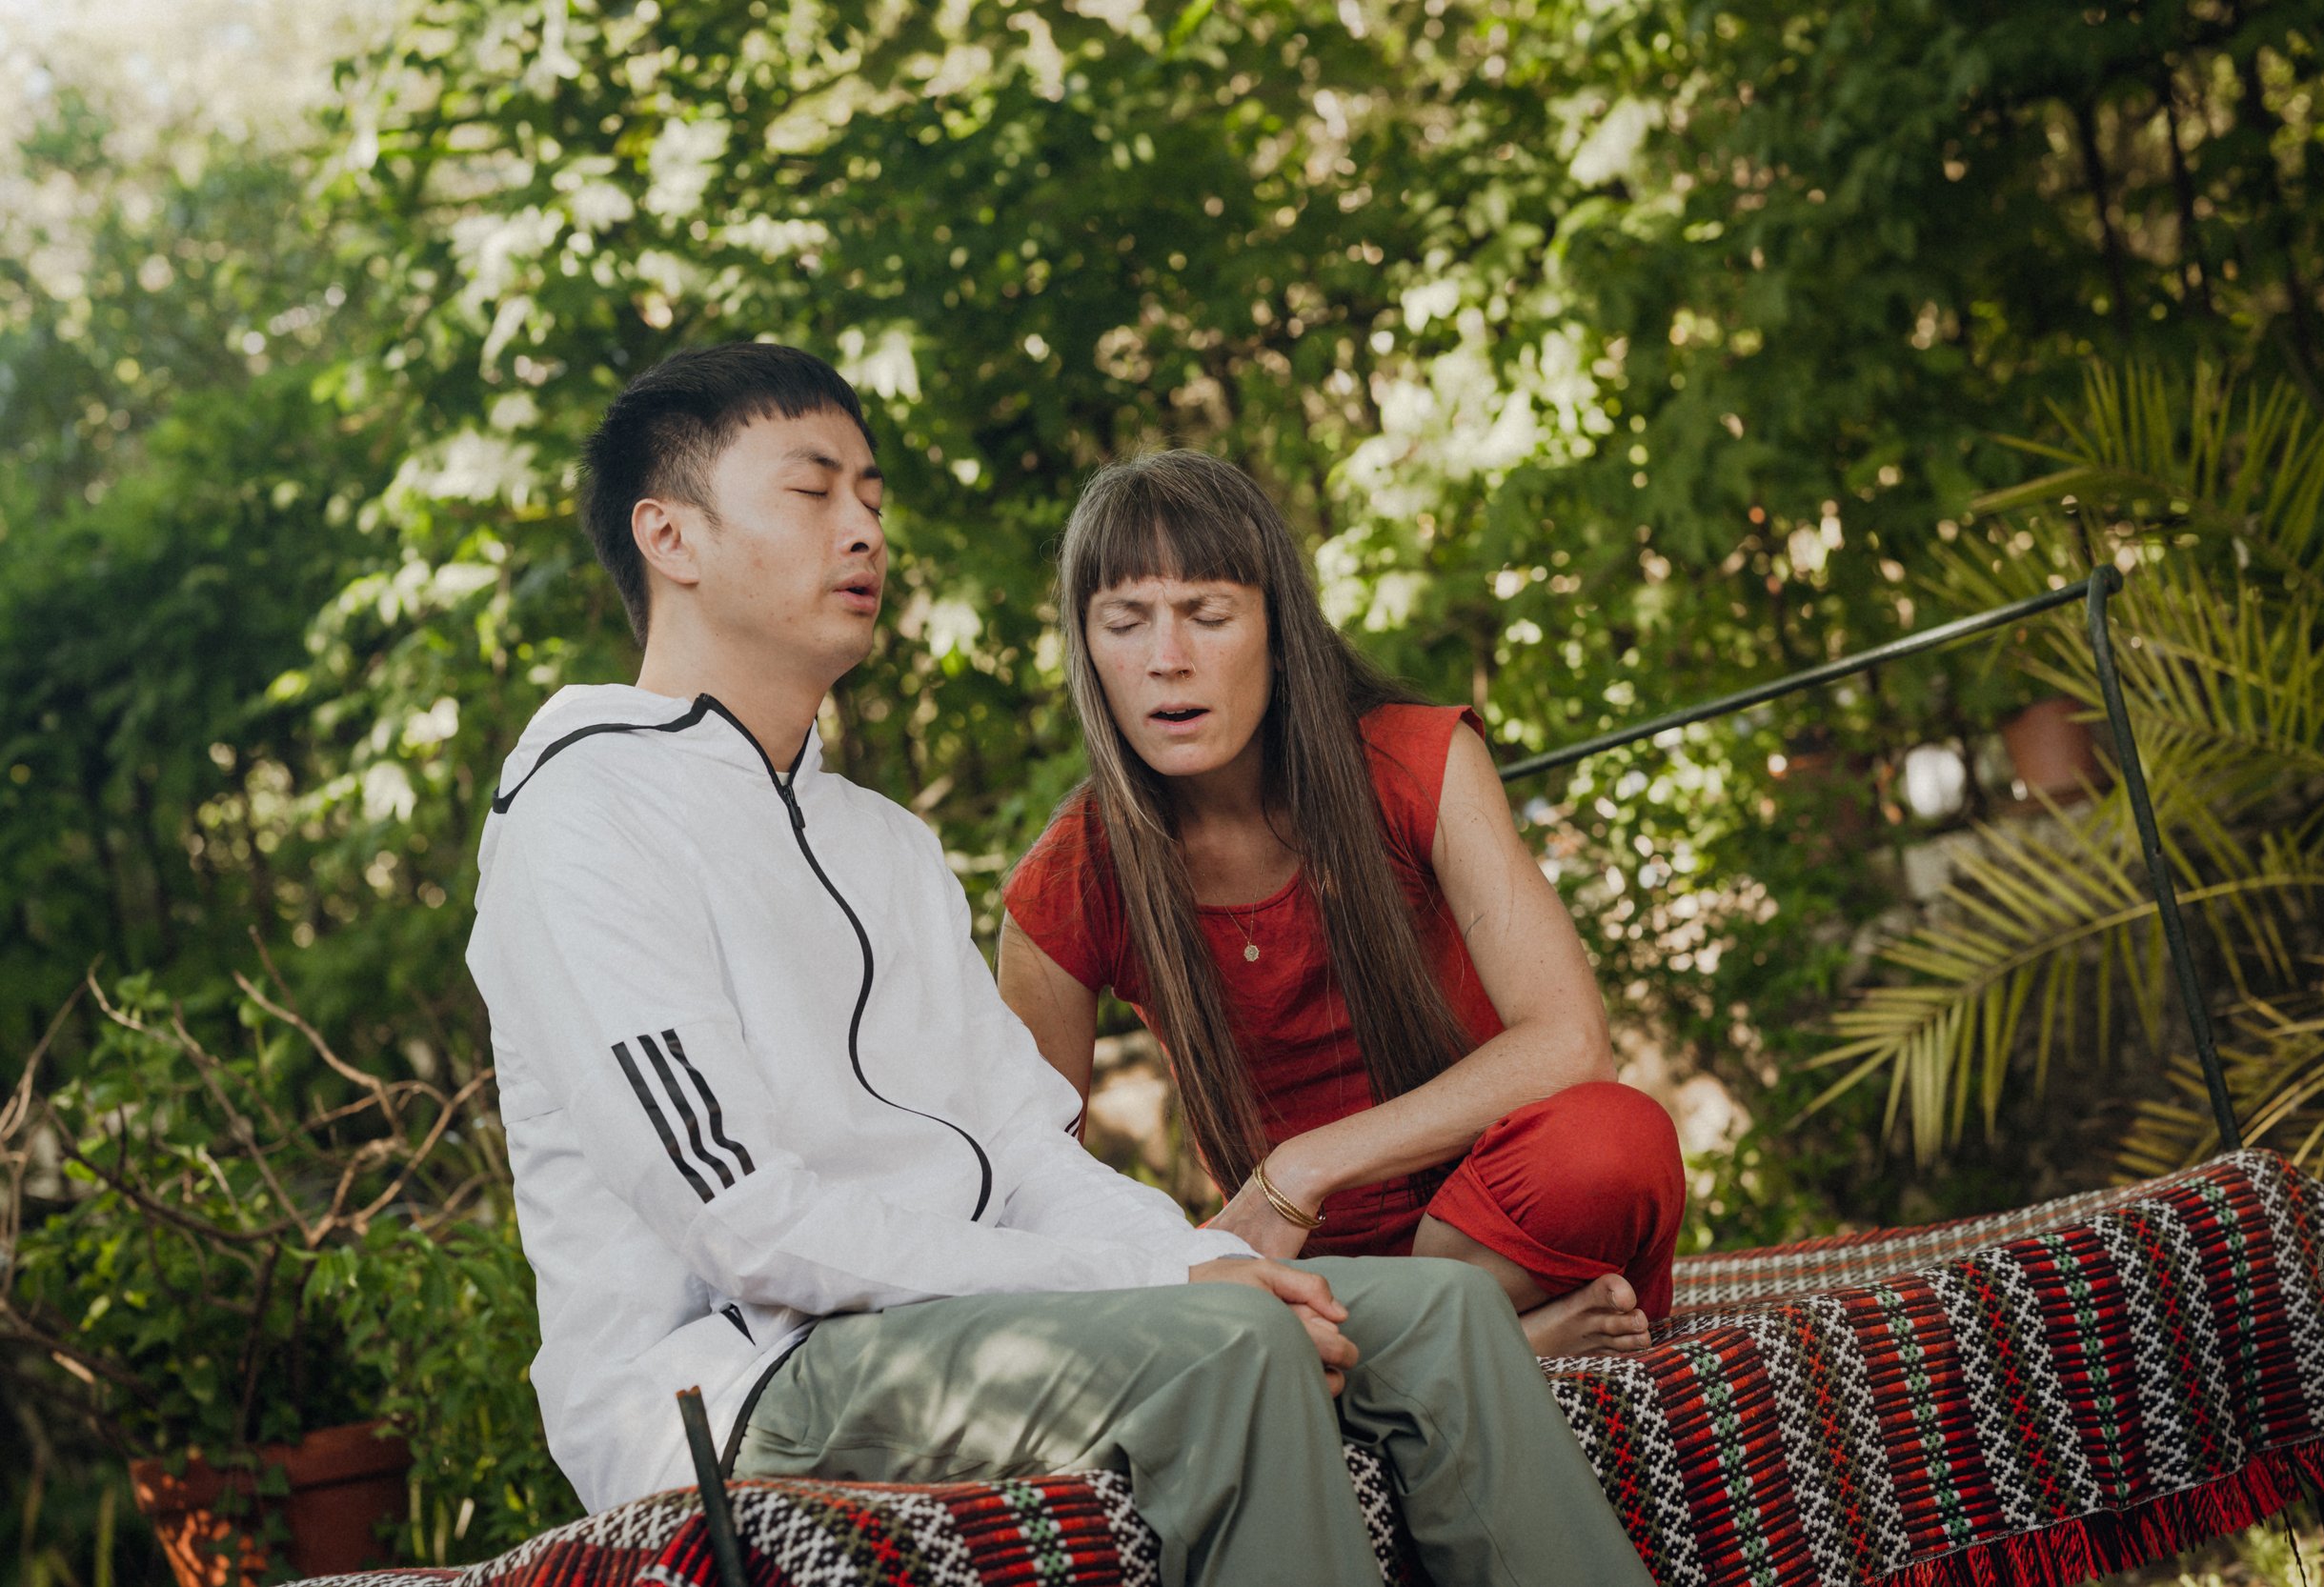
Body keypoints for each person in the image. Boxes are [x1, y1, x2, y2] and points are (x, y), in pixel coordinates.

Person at [465, 342, 1658, 1587]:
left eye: (871, 495)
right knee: (1230, 1344)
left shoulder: (883, 843)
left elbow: (1026, 1150)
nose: (863, 529)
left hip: (956, 1317)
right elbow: (741, 1221)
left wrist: (1201, 1258)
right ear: (670, 536)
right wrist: (1158, 1282)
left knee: (1444, 1314)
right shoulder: (583, 814)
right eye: (812, 491)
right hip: (735, 1379)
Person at [1000, 450, 1686, 1358]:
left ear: (1279, 631)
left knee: (1615, 1144)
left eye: (1209, 616)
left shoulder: (1416, 760)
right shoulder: (1067, 881)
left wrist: (1299, 1171)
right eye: (1125, 623)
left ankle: (1409, 1336)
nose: (1167, 661)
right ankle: (1485, 1342)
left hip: (1488, 1230)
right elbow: (1031, 1176)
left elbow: (1569, 1042)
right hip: (1289, 1275)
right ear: (1087, 651)